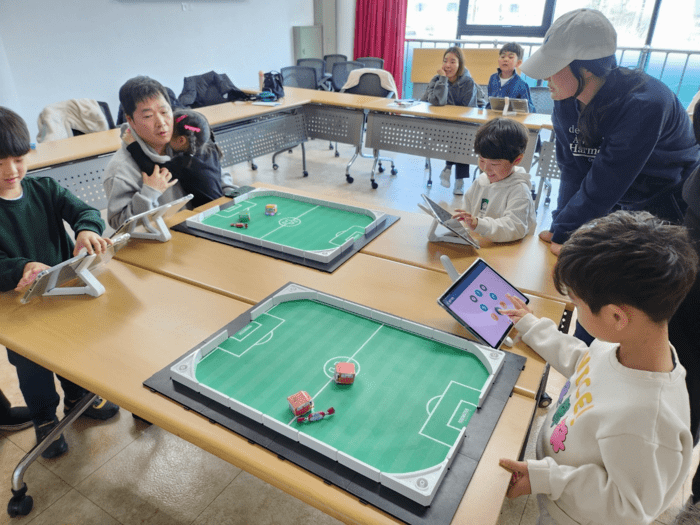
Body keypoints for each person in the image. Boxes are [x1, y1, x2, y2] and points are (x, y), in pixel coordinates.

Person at [499, 210, 698, 525]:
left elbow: (628, 509)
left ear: (617, 317)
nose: (575, 308)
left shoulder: (648, 420)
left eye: (577, 304)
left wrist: (548, 478)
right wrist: (532, 326)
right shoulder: (629, 345)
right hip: (558, 492)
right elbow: (586, 363)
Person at [519, 8, 700, 257]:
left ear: (587, 69)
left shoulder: (644, 104)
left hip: (665, 199)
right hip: (618, 197)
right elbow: (573, 168)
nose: (546, 78)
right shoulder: (566, 100)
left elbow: (607, 180)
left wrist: (569, 233)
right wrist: (561, 226)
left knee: (648, 269)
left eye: (553, 67)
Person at [0, 107, 119, 459]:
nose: (11, 171)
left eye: (18, 159)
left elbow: (85, 211)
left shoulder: (44, 188)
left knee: (74, 349)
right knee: (32, 368)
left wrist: (86, 229)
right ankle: (44, 420)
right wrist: (21, 268)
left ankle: (78, 398)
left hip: (62, 292)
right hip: (17, 308)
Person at [104, 76, 234, 230]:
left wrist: (232, 199)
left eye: (164, 111)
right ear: (130, 120)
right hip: (165, 240)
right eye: (148, 116)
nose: (161, 123)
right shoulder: (120, 170)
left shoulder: (185, 136)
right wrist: (148, 194)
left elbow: (220, 178)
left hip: (209, 226)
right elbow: (120, 225)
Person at [452, 118, 536, 242]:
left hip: (510, 249)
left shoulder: (519, 190)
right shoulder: (480, 181)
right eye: (481, 160)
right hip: (482, 244)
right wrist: (464, 221)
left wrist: (479, 224)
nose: (486, 168)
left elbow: (515, 227)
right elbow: (467, 214)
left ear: (517, 160)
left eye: (494, 164)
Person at [123, 108, 224, 208]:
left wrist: (133, 145)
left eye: (167, 133)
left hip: (209, 211)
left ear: (181, 140)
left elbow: (155, 172)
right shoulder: (211, 149)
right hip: (222, 204)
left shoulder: (186, 163)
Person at [420, 46, 481, 195]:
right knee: (457, 135)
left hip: (463, 126)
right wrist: (443, 80)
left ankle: (451, 171)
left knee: (461, 135)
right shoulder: (437, 79)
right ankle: (456, 176)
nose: (448, 65)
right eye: (445, 61)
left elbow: (466, 108)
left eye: (453, 61)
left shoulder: (468, 82)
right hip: (442, 125)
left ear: (460, 64)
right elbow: (435, 101)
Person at [486, 43, 536, 113]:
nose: (505, 59)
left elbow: (530, 110)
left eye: (510, 57)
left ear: (518, 63)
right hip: (494, 116)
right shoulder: (493, 78)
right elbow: (490, 102)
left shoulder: (522, 84)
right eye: (502, 56)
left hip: (513, 118)